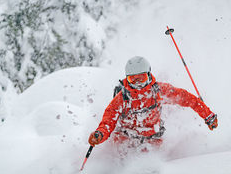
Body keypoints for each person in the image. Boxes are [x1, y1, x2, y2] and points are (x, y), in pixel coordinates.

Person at [88, 56, 218, 151]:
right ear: (127, 79)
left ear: (149, 75)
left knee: (150, 155)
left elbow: (187, 99)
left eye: (142, 78)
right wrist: (100, 134)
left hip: (152, 137)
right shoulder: (122, 98)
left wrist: (208, 116)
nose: (138, 83)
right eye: (133, 79)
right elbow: (108, 122)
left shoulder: (158, 90)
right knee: (120, 154)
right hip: (125, 138)